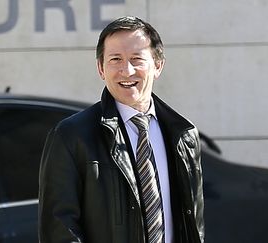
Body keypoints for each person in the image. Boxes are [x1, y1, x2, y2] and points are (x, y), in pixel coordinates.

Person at [38, 16, 204, 243]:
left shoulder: (184, 136)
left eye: (137, 59)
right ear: (100, 68)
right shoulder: (70, 136)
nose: (126, 71)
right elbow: (59, 231)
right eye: (115, 59)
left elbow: (194, 227)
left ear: (158, 65)